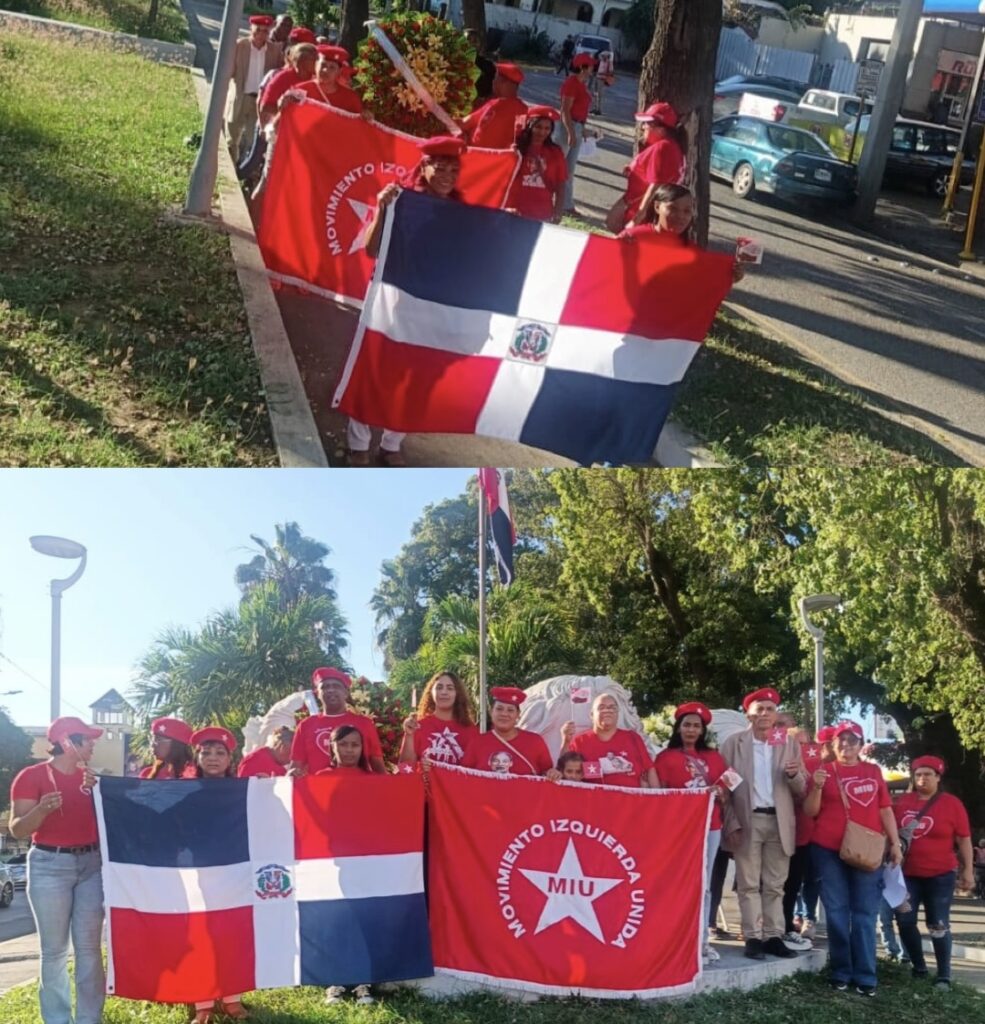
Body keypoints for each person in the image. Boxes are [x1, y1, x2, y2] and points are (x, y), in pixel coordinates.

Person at [347, 135, 468, 468]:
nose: (447, 175)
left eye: (453, 169)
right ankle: (358, 444)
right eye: (440, 167)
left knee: (416, 377)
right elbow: (372, 249)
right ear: (424, 167)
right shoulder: (402, 201)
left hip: (430, 306)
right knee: (374, 369)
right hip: (392, 298)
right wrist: (382, 209)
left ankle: (391, 443)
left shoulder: (460, 212)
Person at [9, 717, 104, 1024]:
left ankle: (89, 1019)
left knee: (89, 950)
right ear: (67, 742)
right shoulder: (30, 776)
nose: (93, 744)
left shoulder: (91, 779)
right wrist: (41, 810)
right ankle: (57, 1019)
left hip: (91, 865)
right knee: (54, 951)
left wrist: (100, 794)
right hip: (50, 866)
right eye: (87, 739)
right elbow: (17, 830)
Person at [803, 720, 903, 996]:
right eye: (840, 741)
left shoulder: (873, 771)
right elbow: (811, 811)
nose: (846, 745)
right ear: (832, 745)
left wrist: (895, 843)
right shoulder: (823, 772)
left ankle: (866, 975)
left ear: (861, 744)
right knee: (836, 912)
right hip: (827, 849)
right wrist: (817, 788)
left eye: (852, 740)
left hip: (866, 849)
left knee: (865, 914)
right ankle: (841, 971)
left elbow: (885, 810)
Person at [720, 687, 807, 961]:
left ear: (776, 714)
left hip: (779, 820)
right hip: (749, 819)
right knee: (747, 884)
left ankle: (773, 936)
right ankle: (752, 937)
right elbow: (724, 788)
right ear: (749, 713)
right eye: (760, 709)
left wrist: (794, 776)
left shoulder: (788, 743)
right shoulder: (734, 743)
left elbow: (801, 788)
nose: (765, 714)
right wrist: (731, 822)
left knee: (775, 884)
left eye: (770, 709)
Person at [654, 701, 729, 963]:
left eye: (697, 726)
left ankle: (701, 942)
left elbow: (727, 789)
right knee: (677, 883)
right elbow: (659, 795)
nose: (691, 730)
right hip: (678, 830)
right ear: (678, 728)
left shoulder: (715, 757)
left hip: (710, 826)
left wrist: (720, 793)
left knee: (704, 884)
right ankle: (672, 940)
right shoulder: (665, 758)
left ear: (703, 731)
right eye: (687, 725)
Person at [893, 754, 973, 989]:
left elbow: (964, 839)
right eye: (918, 775)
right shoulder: (903, 803)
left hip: (940, 875)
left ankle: (944, 975)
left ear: (938, 777)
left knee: (938, 924)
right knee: (905, 920)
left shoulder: (951, 804)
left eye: (928, 774)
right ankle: (919, 968)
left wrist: (967, 870)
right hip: (906, 875)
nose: (922, 779)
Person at [189, 728, 246, 1021]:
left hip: (235, 873)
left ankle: (232, 998)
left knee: (232, 934)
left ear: (230, 758)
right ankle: (203, 1004)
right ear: (197, 757)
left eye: (220, 753)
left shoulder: (244, 790)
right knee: (202, 936)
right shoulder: (184, 791)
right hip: (197, 874)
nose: (213, 758)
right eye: (206, 752)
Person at [316, 726, 375, 1005]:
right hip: (331, 861)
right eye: (344, 744)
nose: (350, 750)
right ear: (332, 747)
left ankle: (363, 981)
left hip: (364, 861)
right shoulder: (320, 779)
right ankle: (335, 980)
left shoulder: (371, 779)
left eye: (355, 745)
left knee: (362, 919)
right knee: (335, 920)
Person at [290, 667, 386, 774]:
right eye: (325, 687)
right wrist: (291, 775)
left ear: (346, 692)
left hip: (360, 788)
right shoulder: (306, 726)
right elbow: (296, 767)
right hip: (321, 789)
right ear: (317, 694)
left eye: (336, 686)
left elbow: (377, 765)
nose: (331, 690)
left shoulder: (364, 723)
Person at [560, 692, 657, 788]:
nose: (607, 710)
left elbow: (650, 770)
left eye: (612, 707)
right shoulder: (579, 741)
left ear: (618, 713)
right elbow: (563, 769)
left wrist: (659, 797)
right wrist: (565, 741)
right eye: (601, 707)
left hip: (631, 800)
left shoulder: (633, 738)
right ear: (592, 715)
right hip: (595, 801)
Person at [461, 687, 557, 777]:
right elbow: (464, 776)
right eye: (499, 709)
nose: (504, 714)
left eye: (510, 710)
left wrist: (552, 773)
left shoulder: (535, 741)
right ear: (491, 712)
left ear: (518, 715)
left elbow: (546, 773)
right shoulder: (477, 743)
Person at [226, 15, 283, 164]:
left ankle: (244, 171)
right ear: (251, 29)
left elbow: (278, 75)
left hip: (260, 103)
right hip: (241, 97)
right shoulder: (240, 45)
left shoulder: (274, 51)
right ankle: (232, 167)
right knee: (232, 139)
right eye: (258, 30)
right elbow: (229, 71)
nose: (261, 34)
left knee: (254, 142)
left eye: (265, 31)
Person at [620, 101, 686, 229]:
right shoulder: (671, 146)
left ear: (661, 129)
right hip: (648, 214)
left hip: (644, 217)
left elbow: (656, 184)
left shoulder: (663, 147)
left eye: (647, 123)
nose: (643, 127)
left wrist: (637, 217)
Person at [399, 670, 477, 766]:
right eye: (439, 688)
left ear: (457, 694)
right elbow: (405, 768)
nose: (444, 692)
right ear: (431, 692)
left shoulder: (470, 730)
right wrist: (409, 735)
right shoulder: (417, 726)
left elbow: (475, 772)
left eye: (450, 688)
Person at [506, 106, 568, 223]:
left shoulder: (555, 152)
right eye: (538, 127)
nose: (542, 132)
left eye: (547, 128)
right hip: (514, 210)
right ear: (530, 126)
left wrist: (558, 211)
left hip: (542, 213)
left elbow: (561, 185)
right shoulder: (516, 148)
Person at [558, 54, 594, 215]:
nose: (593, 68)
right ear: (582, 67)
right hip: (568, 127)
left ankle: (566, 204)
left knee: (569, 169)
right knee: (558, 166)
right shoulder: (571, 84)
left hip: (577, 127)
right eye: (591, 66)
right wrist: (571, 132)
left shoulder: (582, 84)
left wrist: (582, 130)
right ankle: (558, 202)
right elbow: (565, 110)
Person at [461, 63, 528, 149]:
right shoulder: (523, 109)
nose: (493, 82)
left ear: (503, 82)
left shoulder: (495, 105)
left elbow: (464, 123)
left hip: (476, 156)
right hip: (504, 160)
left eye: (495, 79)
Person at [297, 45, 365, 113]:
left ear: (339, 71)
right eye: (323, 65)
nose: (325, 70)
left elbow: (358, 121)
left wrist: (366, 116)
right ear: (316, 65)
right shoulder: (300, 91)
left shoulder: (351, 98)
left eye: (332, 67)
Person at [464, 28, 496, 106]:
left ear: (481, 44)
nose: (472, 44)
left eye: (475, 41)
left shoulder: (488, 66)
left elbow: (491, 91)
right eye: (468, 40)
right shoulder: (451, 61)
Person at [591, 50, 614, 116]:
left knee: (599, 95)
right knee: (595, 94)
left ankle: (599, 109)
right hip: (597, 78)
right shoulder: (600, 62)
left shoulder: (609, 63)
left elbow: (611, 72)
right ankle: (595, 108)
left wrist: (602, 73)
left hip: (602, 79)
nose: (602, 57)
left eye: (604, 56)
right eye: (602, 56)